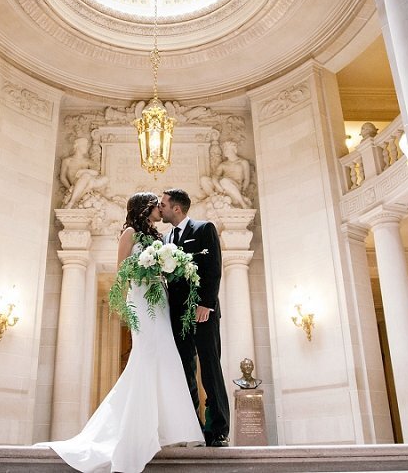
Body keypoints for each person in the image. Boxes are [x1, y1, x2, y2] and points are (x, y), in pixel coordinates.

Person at [41, 192, 204, 472]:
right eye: (156, 206)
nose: (159, 210)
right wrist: (146, 270)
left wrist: (167, 269)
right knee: (146, 357)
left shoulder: (158, 237)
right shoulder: (129, 233)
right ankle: (137, 432)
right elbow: (122, 271)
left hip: (160, 301)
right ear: (144, 209)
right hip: (142, 300)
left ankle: (172, 430)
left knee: (166, 358)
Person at [159, 188, 231, 447]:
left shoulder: (204, 229)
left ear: (177, 208)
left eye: (164, 204)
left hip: (202, 313)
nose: (161, 207)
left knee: (209, 368)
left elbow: (213, 269)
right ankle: (192, 427)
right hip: (177, 315)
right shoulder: (166, 238)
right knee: (184, 370)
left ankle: (218, 428)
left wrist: (206, 304)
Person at [199, 141, 253, 209]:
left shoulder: (243, 162)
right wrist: (219, 187)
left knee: (224, 181)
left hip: (236, 187)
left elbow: (246, 179)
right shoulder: (223, 164)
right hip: (222, 189)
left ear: (234, 150)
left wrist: (243, 191)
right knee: (203, 179)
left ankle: (243, 203)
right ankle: (215, 198)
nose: (225, 151)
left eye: (227, 149)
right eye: (224, 149)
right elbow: (215, 177)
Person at [60, 137, 108, 209]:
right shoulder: (67, 161)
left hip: (87, 182)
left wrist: (84, 171)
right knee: (86, 177)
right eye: (84, 145)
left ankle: (78, 196)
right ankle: (71, 202)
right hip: (75, 183)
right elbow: (62, 178)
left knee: (105, 178)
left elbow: (96, 173)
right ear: (77, 146)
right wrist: (70, 188)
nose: (86, 147)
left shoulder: (87, 161)